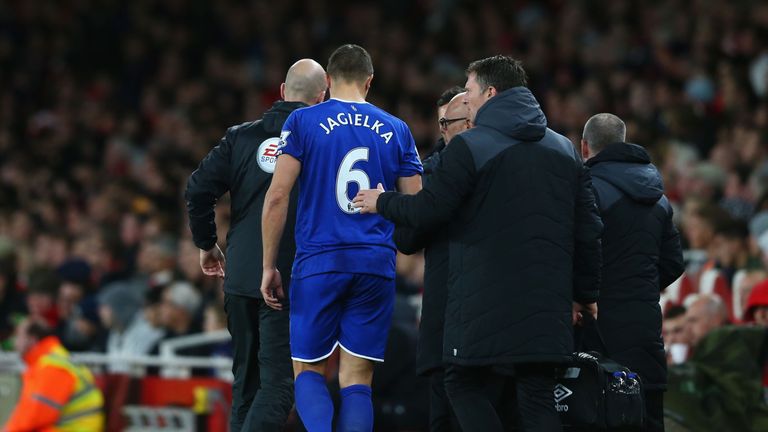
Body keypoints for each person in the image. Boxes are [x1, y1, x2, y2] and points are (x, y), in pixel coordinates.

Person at [353, 55, 602, 432]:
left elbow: (430, 210)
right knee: (536, 396)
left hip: (486, 303)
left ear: (490, 91)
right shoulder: (564, 149)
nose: (465, 99)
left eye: (468, 90)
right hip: (546, 307)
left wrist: (381, 201)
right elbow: (587, 229)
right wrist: (584, 293)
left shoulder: (470, 147)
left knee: (461, 382)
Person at [260, 44, 422, 432]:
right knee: (357, 380)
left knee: (309, 372)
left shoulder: (302, 122)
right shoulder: (397, 128)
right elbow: (417, 204)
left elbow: (278, 195)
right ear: (369, 81)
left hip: (319, 261)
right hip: (374, 262)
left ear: (327, 82)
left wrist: (268, 265)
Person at [185, 58, 327, 431]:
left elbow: (198, 189)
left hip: (241, 275)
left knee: (247, 384)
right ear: (322, 98)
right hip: (288, 276)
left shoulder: (241, 137)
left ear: (282, 92)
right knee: (280, 384)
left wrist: (206, 242)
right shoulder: (321, 141)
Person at [580, 113, 685, 431]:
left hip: (598, 334)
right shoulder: (659, 198)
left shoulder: (588, 191)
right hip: (645, 333)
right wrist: (640, 287)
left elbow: (579, 254)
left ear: (585, 148)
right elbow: (674, 263)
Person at [396, 90, 470, 432]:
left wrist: (389, 204)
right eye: (441, 122)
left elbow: (409, 236)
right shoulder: (429, 171)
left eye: (449, 122)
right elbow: (409, 239)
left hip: (472, 316)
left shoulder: (436, 174)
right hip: (445, 311)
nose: (445, 130)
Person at [3, 319, 104, 431]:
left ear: (32, 339)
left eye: (18, 336)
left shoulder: (52, 367)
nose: (14, 342)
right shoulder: (49, 361)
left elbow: (35, 416)